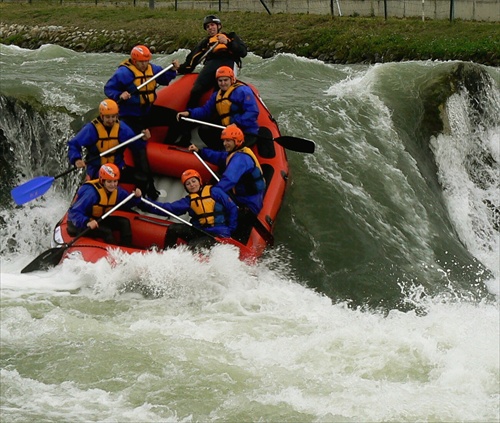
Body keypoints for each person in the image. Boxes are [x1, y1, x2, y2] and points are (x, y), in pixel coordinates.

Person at [176, 15, 248, 144]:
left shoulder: (231, 36)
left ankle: (220, 127)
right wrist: (180, 68)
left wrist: (228, 43)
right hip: (212, 63)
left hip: (228, 62)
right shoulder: (205, 43)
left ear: (219, 26)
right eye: (208, 27)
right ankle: (186, 128)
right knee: (196, 90)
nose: (210, 28)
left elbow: (243, 52)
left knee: (221, 94)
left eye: (212, 25)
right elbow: (192, 60)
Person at [67, 98, 160, 197]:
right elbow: (73, 144)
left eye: (113, 117)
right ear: (102, 116)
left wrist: (144, 139)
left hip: (117, 167)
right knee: (99, 190)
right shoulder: (91, 129)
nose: (111, 120)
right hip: (98, 170)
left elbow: (136, 145)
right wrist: (76, 159)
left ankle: (140, 201)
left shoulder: (122, 129)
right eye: (107, 117)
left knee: (142, 178)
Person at [188, 124, 265, 241]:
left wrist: (210, 194)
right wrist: (200, 151)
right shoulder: (238, 151)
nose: (225, 144)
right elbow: (220, 157)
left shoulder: (241, 159)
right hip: (243, 197)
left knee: (216, 201)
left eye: (228, 141)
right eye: (224, 141)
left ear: (237, 141)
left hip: (248, 204)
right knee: (215, 187)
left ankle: (221, 232)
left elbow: (229, 179)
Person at [143, 169, 238, 250]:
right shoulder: (188, 201)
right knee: (173, 229)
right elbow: (168, 208)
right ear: (186, 188)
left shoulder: (215, 192)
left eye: (193, 181)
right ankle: (168, 253)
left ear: (199, 181)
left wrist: (230, 229)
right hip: (200, 231)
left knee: (194, 245)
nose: (192, 185)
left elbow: (232, 208)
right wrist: (144, 202)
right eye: (188, 184)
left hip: (218, 233)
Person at [176, 65, 259, 149]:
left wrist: (237, 124)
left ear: (232, 79)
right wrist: (189, 113)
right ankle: (218, 152)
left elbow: (252, 112)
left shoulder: (242, 91)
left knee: (234, 149)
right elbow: (205, 111)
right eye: (220, 81)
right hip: (227, 130)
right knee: (204, 130)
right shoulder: (216, 95)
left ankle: (223, 154)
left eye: (225, 80)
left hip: (245, 131)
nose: (223, 83)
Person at [104, 44, 179, 134]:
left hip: (148, 111)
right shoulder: (124, 73)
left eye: (146, 61)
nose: (144, 64)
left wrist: (172, 70)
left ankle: (172, 143)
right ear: (134, 61)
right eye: (141, 61)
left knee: (176, 117)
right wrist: (119, 95)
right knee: (139, 135)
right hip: (130, 114)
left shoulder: (153, 69)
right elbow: (108, 89)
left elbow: (164, 79)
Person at [67, 163, 142, 247]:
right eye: (109, 181)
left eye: (115, 181)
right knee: (106, 231)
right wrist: (87, 222)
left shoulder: (117, 191)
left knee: (124, 222)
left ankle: (127, 248)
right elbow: (73, 212)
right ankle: (116, 252)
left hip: (97, 220)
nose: (113, 184)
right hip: (79, 224)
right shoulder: (91, 193)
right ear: (102, 181)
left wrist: (136, 197)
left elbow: (129, 203)